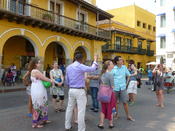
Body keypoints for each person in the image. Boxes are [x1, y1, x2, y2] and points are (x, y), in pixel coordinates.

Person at [65, 53, 98, 131]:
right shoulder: (80, 66)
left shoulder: (69, 67)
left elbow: (67, 80)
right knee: (81, 110)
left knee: (69, 108)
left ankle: (67, 126)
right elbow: (92, 68)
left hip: (71, 89)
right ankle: (81, 129)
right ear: (81, 59)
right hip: (79, 90)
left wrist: (70, 85)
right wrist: (95, 59)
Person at [29, 58, 54, 128]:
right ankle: (35, 124)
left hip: (40, 89)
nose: (40, 64)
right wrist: (51, 80)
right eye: (39, 63)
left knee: (43, 104)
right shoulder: (35, 71)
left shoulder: (36, 71)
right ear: (35, 64)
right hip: (37, 90)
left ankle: (44, 119)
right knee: (37, 106)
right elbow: (44, 78)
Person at [111, 56, 134, 121]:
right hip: (115, 88)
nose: (122, 61)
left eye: (122, 59)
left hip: (123, 87)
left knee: (125, 102)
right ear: (117, 62)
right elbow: (110, 78)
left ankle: (128, 115)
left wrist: (126, 84)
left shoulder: (124, 67)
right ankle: (116, 115)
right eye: (120, 60)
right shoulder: (113, 68)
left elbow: (128, 75)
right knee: (115, 102)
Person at [98, 60, 116, 129]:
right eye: (111, 64)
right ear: (108, 66)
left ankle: (101, 123)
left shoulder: (102, 73)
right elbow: (112, 86)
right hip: (109, 93)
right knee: (110, 108)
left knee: (103, 109)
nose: (113, 65)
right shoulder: (110, 74)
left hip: (102, 93)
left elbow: (100, 82)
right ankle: (111, 124)